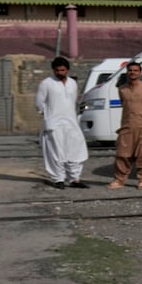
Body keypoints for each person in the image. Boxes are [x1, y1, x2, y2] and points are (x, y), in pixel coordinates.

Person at [36, 56, 89, 188]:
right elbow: (39, 104)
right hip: (54, 124)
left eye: (62, 70)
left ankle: (74, 179)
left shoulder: (72, 83)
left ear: (68, 70)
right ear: (53, 70)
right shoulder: (46, 83)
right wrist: (49, 116)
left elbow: (73, 102)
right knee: (56, 153)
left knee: (75, 150)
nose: (60, 73)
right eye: (57, 70)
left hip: (71, 122)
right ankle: (58, 179)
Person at [109, 60, 142, 190]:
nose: (132, 73)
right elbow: (125, 105)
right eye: (130, 70)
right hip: (127, 126)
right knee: (122, 154)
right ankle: (119, 180)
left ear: (140, 73)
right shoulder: (122, 89)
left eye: (135, 70)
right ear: (127, 72)